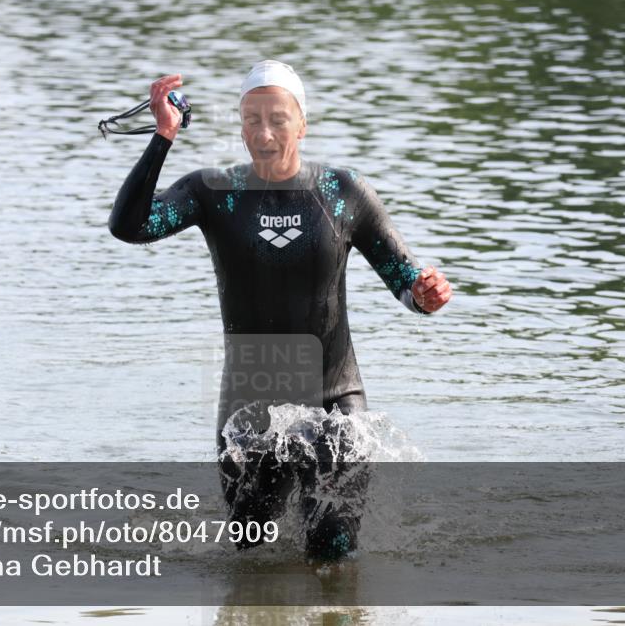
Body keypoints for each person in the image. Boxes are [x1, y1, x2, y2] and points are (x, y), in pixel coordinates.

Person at [109, 60, 452, 561]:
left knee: (332, 553)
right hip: (250, 410)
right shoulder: (212, 191)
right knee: (252, 560)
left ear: (302, 123)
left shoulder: (343, 192)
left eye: (278, 119)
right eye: (252, 119)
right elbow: (129, 225)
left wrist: (425, 295)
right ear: (240, 124)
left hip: (336, 399)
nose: (265, 133)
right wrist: (163, 137)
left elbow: (406, 283)